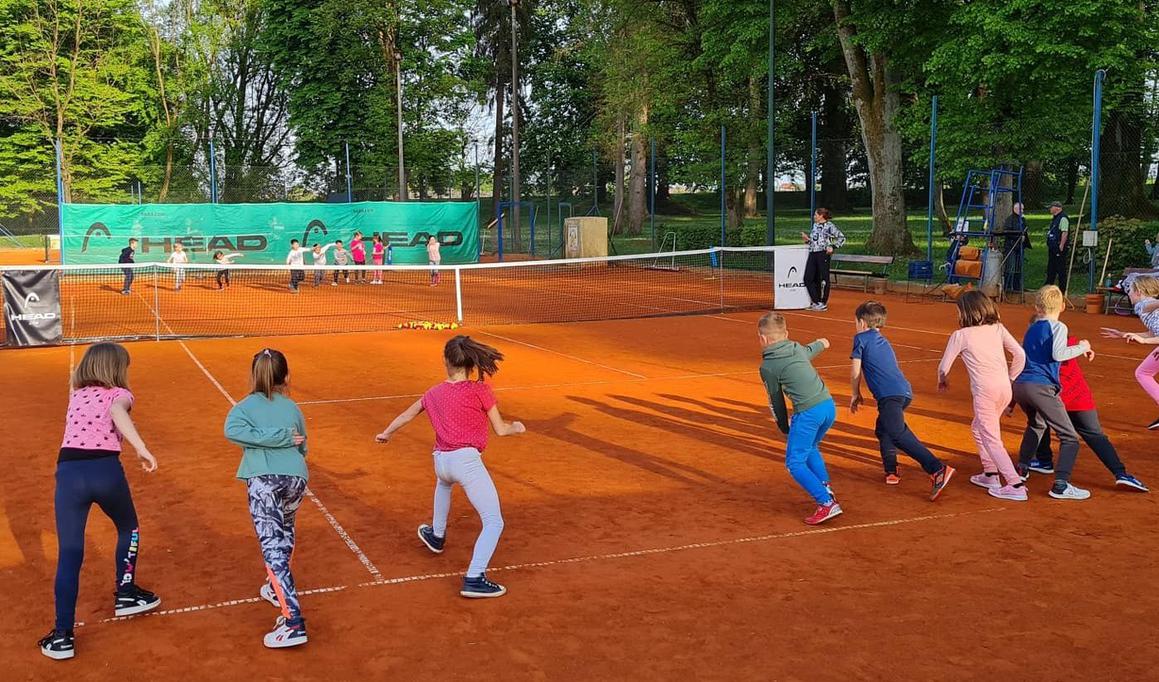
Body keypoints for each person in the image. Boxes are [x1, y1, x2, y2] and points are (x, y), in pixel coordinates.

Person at [376, 336, 526, 598]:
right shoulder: (480, 390)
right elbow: (500, 430)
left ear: (446, 361)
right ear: (471, 362)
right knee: (494, 522)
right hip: (466, 462)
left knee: (443, 485)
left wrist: (386, 433)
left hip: (441, 461)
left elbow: (407, 415)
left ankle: (437, 534)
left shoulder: (433, 393)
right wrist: (517, 427)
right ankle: (474, 577)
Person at [39, 343, 161, 660]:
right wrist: (141, 447)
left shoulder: (75, 395)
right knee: (128, 528)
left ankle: (63, 636)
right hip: (106, 471)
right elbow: (117, 411)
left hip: (68, 474)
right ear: (118, 370)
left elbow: (82, 386)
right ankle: (126, 592)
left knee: (70, 554)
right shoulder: (119, 394)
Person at [224, 349, 310, 648]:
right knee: (285, 536)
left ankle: (293, 622)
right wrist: (285, 439)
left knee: (273, 549)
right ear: (286, 377)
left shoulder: (244, 408)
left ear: (253, 375)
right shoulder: (292, 407)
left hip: (264, 483)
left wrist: (273, 437)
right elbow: (302, 444)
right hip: (296, 480)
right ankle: (275, 591)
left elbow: (232, 432)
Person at [849, 301, 955, 499]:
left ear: (862, 323)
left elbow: (856, 370)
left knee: (897, 433)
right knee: (883, 430)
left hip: (889, 397)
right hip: (903, 392)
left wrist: (855, 393)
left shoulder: (860, 338)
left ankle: (937, 468)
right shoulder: (882, 340)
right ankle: (891, 470)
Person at [1028, 330, 1148, 492]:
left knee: (1040, 417)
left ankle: (1044, 461)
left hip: (1056, 399)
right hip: (1079, 398)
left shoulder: (1037, 351)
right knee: (1095, 435)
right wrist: (1083, 346)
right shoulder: (1071, 344)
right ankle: (1121, 473)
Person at [937, 290, 1028, 501]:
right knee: (979, 428)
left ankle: (1015, 484)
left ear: (966, 313)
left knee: (991, 437)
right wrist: (1011, 378)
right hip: (1004, 388)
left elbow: (943, 367)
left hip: (985, 393)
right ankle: (990, 474)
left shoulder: (960, 335)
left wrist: (942, 380)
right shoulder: (998, 328)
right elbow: (1020, 355)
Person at [756, 312, 841, 525]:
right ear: (786, 334)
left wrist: (784, 426)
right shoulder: (796, 348)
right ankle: (826, 489)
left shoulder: (768, 367)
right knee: (811, 447)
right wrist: (822, 342)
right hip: (828, 407)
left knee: (794, 463)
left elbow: (775, 400)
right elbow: (810, 350)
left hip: (808, 413)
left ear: (763, 339)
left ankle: (826, 503)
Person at [1012, 286, 1092, 500]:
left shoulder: (1032, 328)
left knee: (1037, 424)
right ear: (1063, 306)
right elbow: (1059, 354)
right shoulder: (1058, 326)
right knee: (1069, 437)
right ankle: (1061, 484)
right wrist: (1083, 347)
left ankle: (1022, 468)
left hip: (1021, 385)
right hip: (1041, 387)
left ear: (1037, 307)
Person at [1100, 275, 1159, 428]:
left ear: (1139, 291)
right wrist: (1122, 333)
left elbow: (1150, 335)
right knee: (1143, 373)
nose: (1129, 293)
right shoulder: (1146, 309)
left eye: (1131, 290)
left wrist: (1144, 341)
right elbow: (1152, 334)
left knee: (1143, 373)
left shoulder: (1143, 305)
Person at [799, 208, 845, 312]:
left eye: (816, 215)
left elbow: (841, 238)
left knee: (824, 279)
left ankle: (822, 303)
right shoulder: (815, 226)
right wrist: (807, 240)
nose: (814, 216)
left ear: (821, 216)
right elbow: (815, 241)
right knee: (808, 278)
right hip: (813, 253)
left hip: (823, 254)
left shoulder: (830, 226)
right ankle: (816, 301)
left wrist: (833, 247)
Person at [999, 203, 1031, 293]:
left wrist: (1024, 239)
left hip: (1020, 246)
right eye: (1021, 209)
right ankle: (1008, 287)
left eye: (1023, 209)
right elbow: (1007, 232)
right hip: (1011, 246)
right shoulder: (1010, 220)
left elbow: (1025, 230)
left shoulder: (1022, 219)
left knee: (1019, 267)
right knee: (1010, 267)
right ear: (1015, 209)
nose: (1022, 211)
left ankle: (1017, 286)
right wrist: (1018, 237)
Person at [1044, 201, 1070, 291]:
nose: (1050, 209)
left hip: (1059, 248)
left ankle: (1062, 290)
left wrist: (1061, 245)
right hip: (1052, 248)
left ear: (1057, 208)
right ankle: (1047, 288)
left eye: (1051, 207)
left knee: (1061, 270)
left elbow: (1064, 232)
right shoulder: (1055, 218)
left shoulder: (1063, 218)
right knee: (1051, 269)